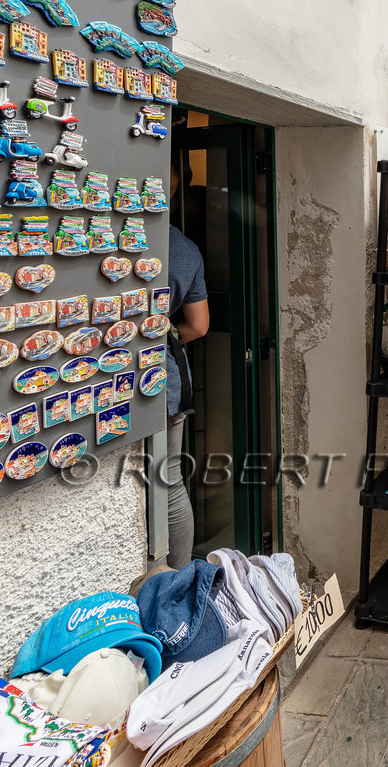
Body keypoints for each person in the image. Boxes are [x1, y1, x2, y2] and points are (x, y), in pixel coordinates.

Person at [164, 163, 209, 570]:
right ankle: (177, 578)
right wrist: (164, 330)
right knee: (169, 482)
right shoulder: (185, 249)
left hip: (112, 381)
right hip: (167, 382)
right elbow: (198, 326)